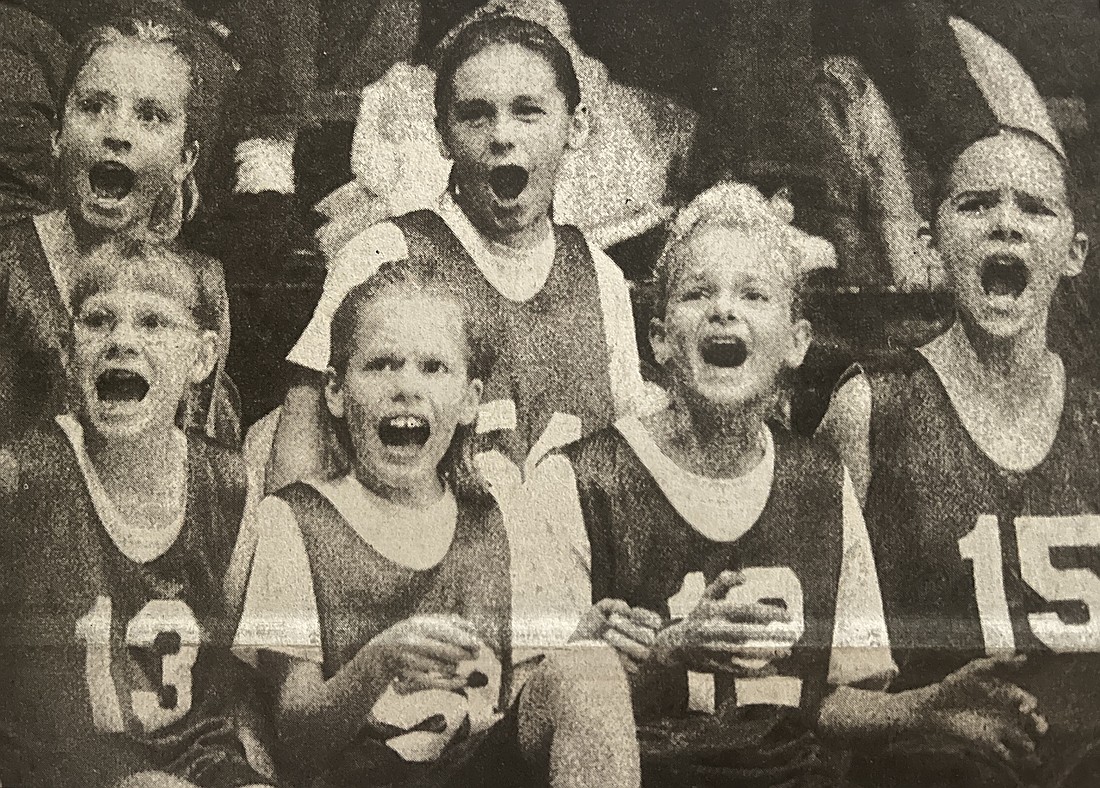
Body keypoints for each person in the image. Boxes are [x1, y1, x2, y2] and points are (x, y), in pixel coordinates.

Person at [522, 182, 1045, 786]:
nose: (725, 309)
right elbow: (544, 714)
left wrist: (925, 708)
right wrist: (667, 655)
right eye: (698, 293)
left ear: (795, 342)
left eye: (754, 294)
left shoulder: (820, 481)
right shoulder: (582, 481)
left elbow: (832, 701)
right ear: (659, 339)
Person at [233, 258, 641, 787]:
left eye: (433, 367)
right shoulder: (294, 522)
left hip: (478, 772)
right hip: (358, 779)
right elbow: (295, 744)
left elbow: (516, 701)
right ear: (336, 391)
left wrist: (581, 642)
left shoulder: (499, 515)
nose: (406, 387)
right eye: (381, 364)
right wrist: (376, 663)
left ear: (470, 400)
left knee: (590, 669)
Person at [263, 12, 655, 504]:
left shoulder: (601, 276)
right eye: (475, 114)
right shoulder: (385, 252)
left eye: (528, 111)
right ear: (443, 134)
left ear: (576, 127)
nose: (501, 135)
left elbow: (623, 468)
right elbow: (302, 449)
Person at [817, 125, 1099, 787]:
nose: (1006, 224)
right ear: (931, 245)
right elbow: (813, 690)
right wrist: (924, 714)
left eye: (1035, 207)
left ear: (1074, 252)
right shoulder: (872, 409)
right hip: (937, 763)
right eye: (975, 205)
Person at [0, 240, 273, 788]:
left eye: (152, 322)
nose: (121, 340)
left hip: (198, 761)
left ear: (200, 357)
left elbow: (240, 682)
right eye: (98, 320)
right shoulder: (23, 474)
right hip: (59, 771)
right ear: (67, 347)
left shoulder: (227, 485)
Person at [0, 10, 239, 447]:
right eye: (92, 107)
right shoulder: (9, 265)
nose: (117, 133)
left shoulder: (202, 284)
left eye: (150, 115)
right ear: (57, 136)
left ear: (184, 160)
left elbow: (204, 459)